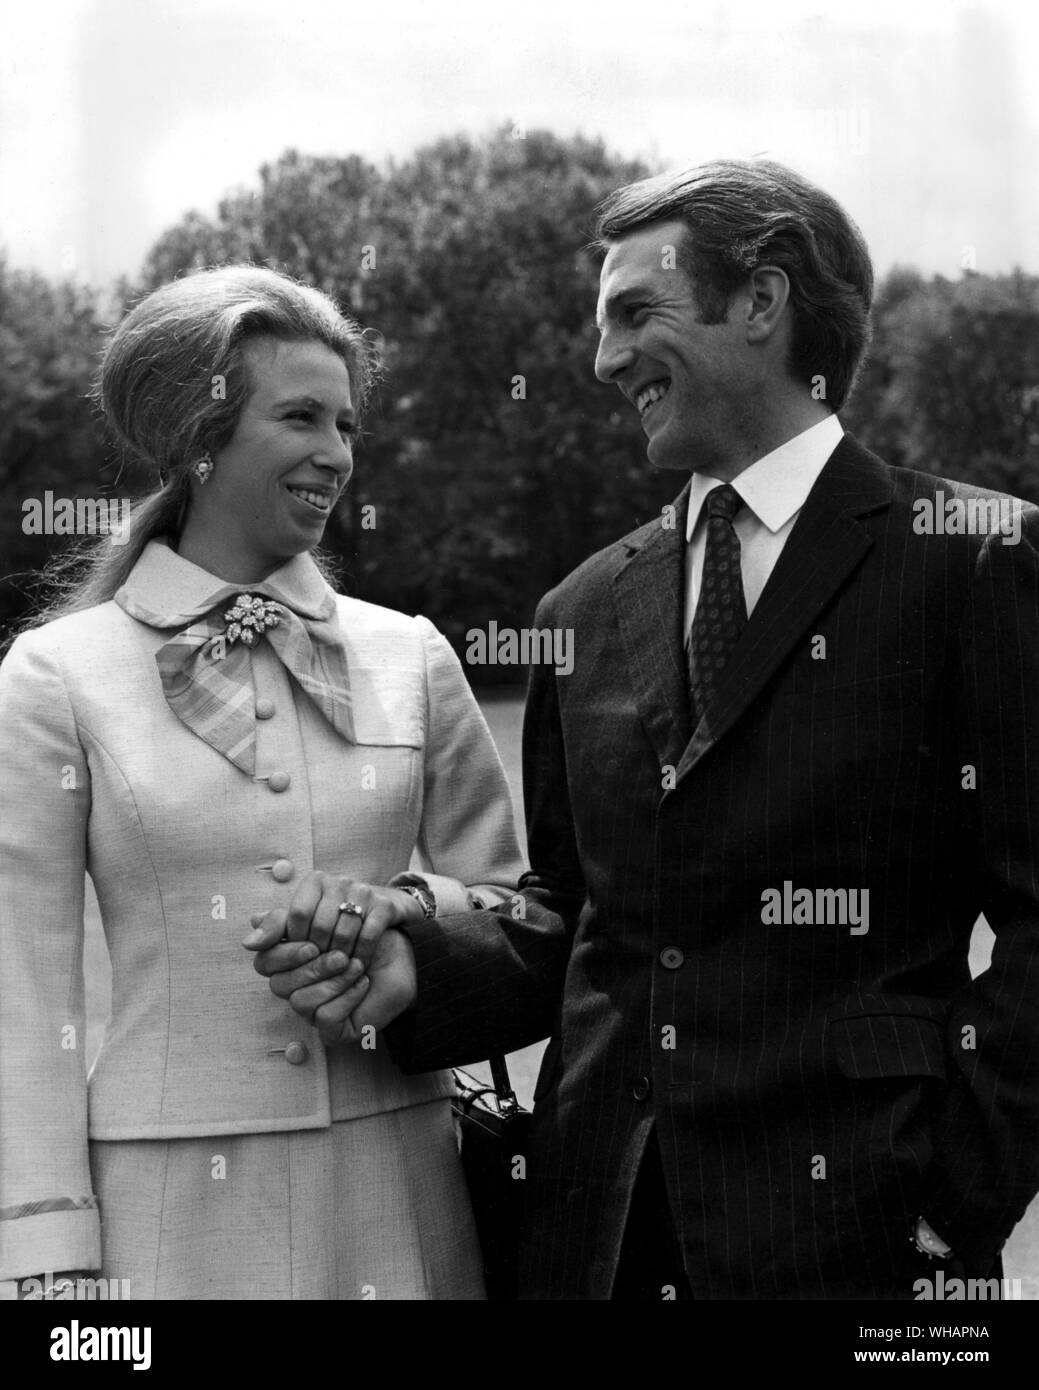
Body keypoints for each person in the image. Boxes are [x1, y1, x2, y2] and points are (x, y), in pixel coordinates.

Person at [256, 160, 1039, 1299]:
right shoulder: (579, 609)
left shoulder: (974, 557)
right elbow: (571, 915)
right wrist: (416, 959)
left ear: (762, 303)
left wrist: (945, 1210)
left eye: (635, 313)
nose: (602, 358)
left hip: (865, 1246)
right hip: (595, 1237)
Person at [0, 265, 524, 1300]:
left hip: (405, 1192)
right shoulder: (56, 677)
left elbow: (522, 913)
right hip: (165, 1222)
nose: (336, 454)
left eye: (346, 423)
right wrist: (46, 1259)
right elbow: (23, 989)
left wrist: (410, 924)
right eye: (300, 417)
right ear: (199, 437)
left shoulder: (409, 655)